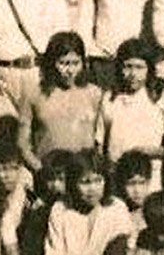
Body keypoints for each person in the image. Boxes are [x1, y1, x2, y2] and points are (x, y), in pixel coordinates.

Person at [25, 150, 133, 255]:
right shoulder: (60, 208)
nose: (92, 189)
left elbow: (120, 248)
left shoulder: (116, 207)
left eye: (98, 181)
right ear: (73, 183)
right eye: (85, 182)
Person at [18, 32, 102, 172]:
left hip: (83, 174)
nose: (70, 70)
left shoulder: (94, 93)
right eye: (63, 63)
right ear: (51, 63)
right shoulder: (34, 93)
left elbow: (101, 141)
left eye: (75, 63)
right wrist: (40, 170)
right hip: (49, 173)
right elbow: (22, 143)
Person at [98, 38, 164, 191]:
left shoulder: (160, 98)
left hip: (150, 180)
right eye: (128, 67)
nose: (132, 74)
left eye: (139, 67)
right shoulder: (110, 98)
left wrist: (145, 151)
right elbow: (100, 144)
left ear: (149, 69)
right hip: (117, 179)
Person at [18, 150, 70, 255]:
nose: (55, 184)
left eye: (61, 179)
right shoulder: (42, 205)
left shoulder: (74, 204)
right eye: (51, 179)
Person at [116, 151, 153, 255]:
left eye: (142, 183)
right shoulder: (118, 213)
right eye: (131, 184)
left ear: (149, 182)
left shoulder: (154, 213)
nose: (137, 190)